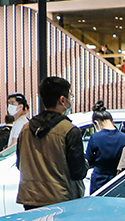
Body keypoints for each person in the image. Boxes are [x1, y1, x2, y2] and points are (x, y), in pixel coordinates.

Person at [16, 75, 87, 209]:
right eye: (69, 96)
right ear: (62, 100)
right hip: (61, 201)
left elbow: (20, 164)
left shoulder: (26, 129)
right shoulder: (69, 131)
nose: (70, 99)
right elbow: (78, 172)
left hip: (30, 199)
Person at [85, 101, 125, 193]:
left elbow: (88, 160)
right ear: (111, 121)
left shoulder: (95, 138)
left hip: (99, 182)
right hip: (118, 181)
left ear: (96, 123)